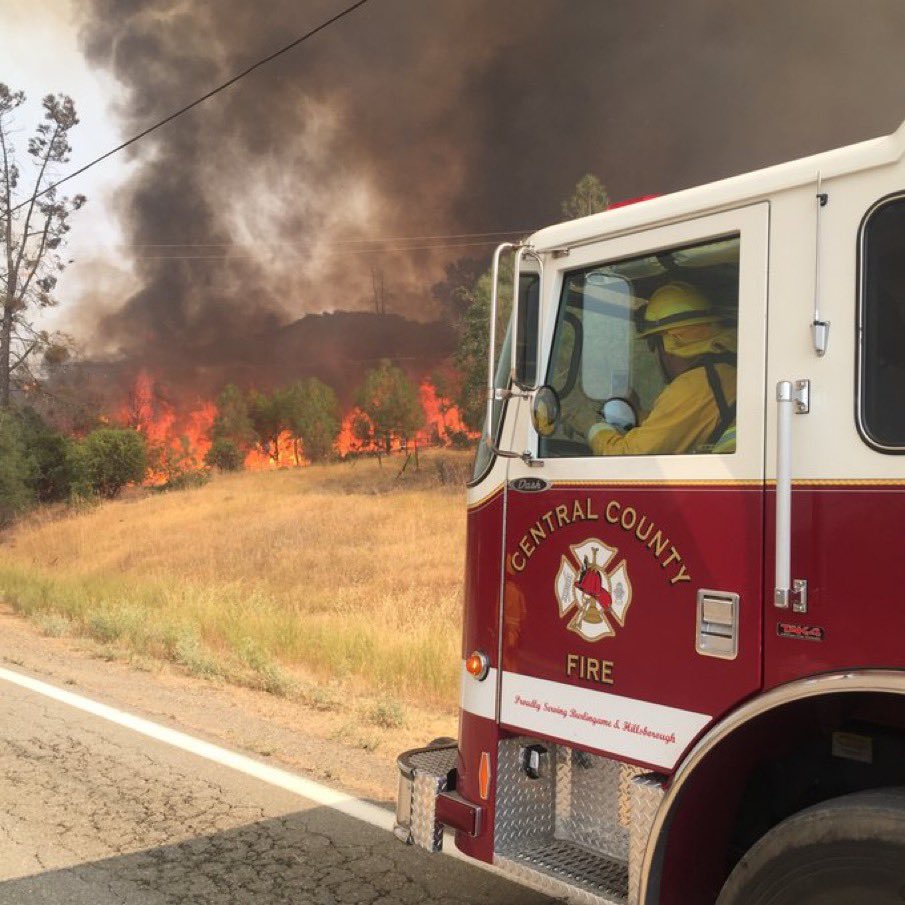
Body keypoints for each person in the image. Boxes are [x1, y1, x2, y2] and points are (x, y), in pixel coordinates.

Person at [586, 281, 737, 455]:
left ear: (665, 345)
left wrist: (594, 428)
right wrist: (636, 413)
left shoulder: (691, 386)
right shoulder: (726, 373)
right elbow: (675, 424)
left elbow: (628, 455)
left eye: (652, 345)